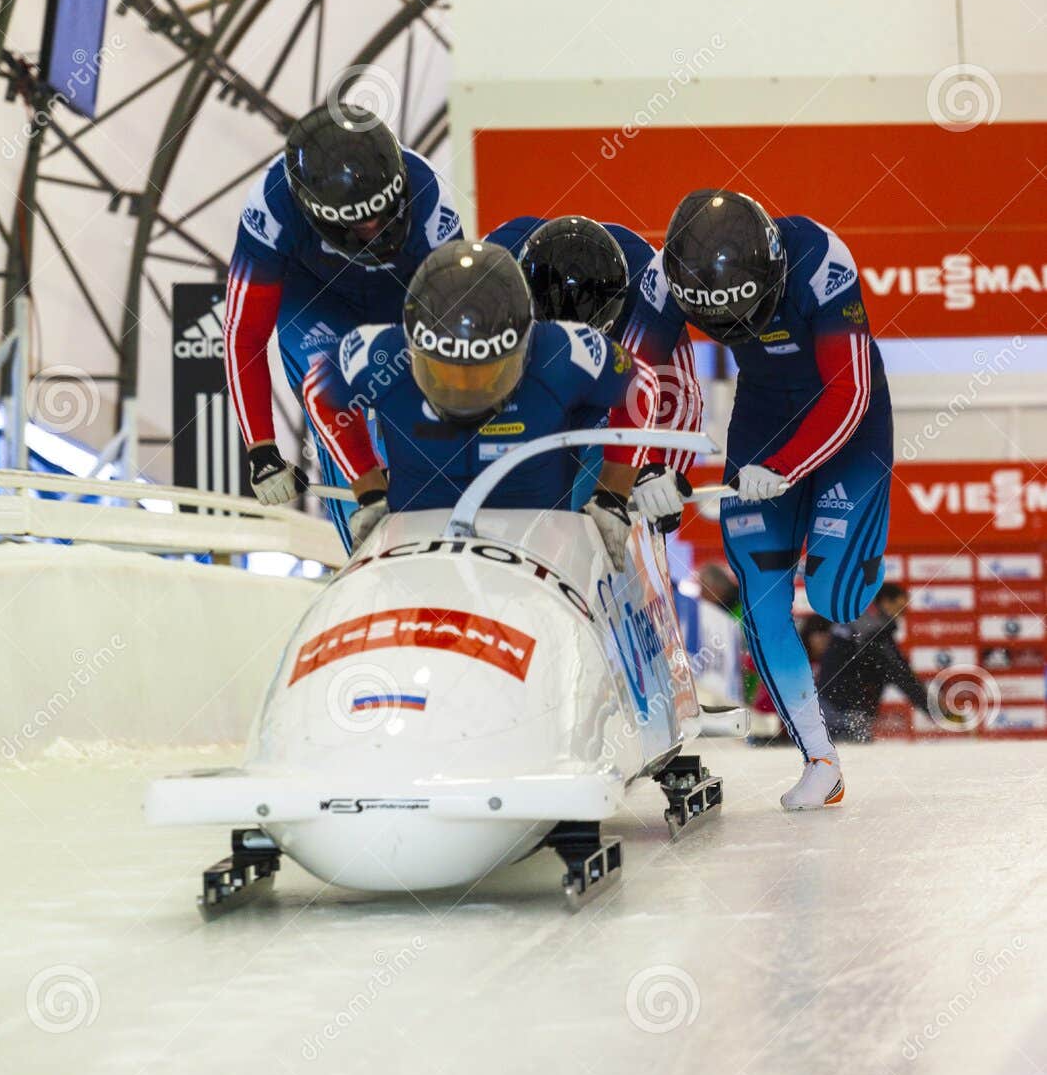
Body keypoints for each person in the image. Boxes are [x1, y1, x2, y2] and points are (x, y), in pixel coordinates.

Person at [662, 188, 893, 810]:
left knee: (836, 597)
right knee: (762, 599)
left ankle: (850, 549)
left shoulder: (820, 258)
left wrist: (788, 467)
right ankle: (821, 758)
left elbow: (850, 390)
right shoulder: (672, 277)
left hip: (847, 421)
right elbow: (659, 377)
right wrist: (659, 467)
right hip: (761, 423)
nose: (737, 330)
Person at [302, 238, 659, 564]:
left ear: (525, 346)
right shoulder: (378, 353)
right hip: (415, 553)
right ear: (412, 349)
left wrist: (612, 496)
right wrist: (368, 490)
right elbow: (320, 393)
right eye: (444, 374)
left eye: (487, 374)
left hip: (540, 555)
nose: (465, 391)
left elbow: (640, 386)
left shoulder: (566, 353)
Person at [224, 101, 461, 546]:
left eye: (383, 213)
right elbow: (245, 333)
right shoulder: (270, 210)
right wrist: (261, 449)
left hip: (404, 295)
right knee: (331, 391)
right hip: (314, 302)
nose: (375, 227)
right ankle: (365, 532)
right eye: (360, 222)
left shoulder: (428, 194)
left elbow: (456, 319)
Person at [488, 214, 703, 520]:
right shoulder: (492, 272)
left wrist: (659, 468)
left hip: (604, 402)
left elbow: (674, 387)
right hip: (524, 386)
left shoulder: (646, 285)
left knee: (584, 512)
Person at [818, 583, 931, 742]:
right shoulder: (871, 631)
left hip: (828, 706)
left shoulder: (857, 621)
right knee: (853, 762)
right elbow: (899, 672)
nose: (901, 615)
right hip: (843, 713)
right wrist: (934, 710)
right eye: (900, 608)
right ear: (885, 602)